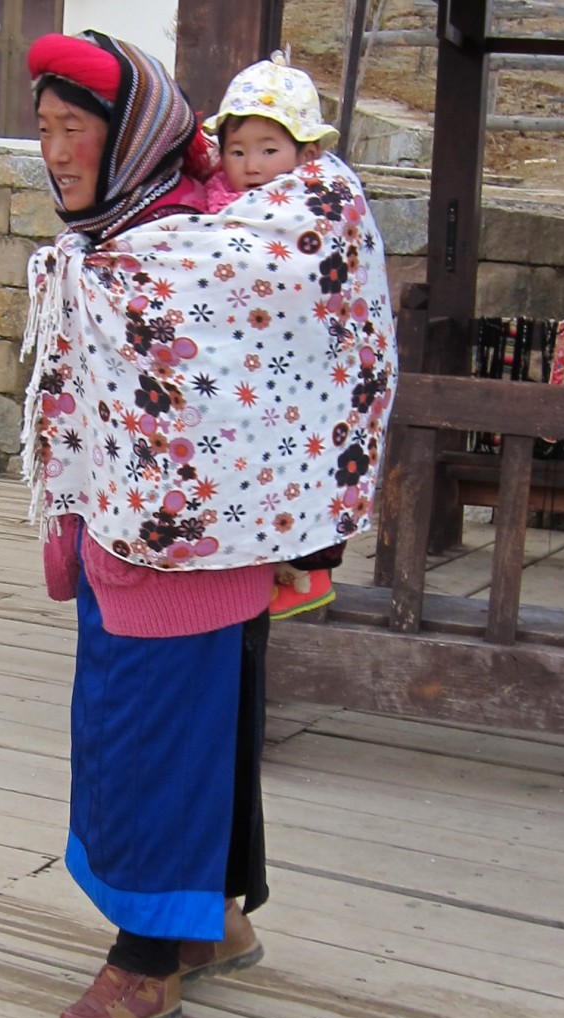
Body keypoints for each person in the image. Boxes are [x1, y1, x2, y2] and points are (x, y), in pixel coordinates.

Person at [22, 29, 397, 1018]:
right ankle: (215, 918)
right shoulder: (143, 224)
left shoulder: (215, 235)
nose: (56, 151)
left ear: (135, 134)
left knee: (151, 739)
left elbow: (311, 286)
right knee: (201, 730)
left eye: (75, 130)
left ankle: (147, 959)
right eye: (45, 130)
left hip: (190, 544)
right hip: (161, 536)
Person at [201, 53, 346, 620]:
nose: (252, 165)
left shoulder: (319, 204)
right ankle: (253, 568)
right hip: (237, 370)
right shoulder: (212, 205)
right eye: (237, 151)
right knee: (249, 465)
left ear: (305, 153)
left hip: (297, 368)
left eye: (268, 150)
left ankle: (305, 573)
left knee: (299, 463)